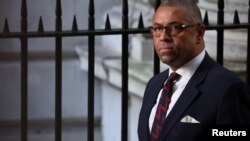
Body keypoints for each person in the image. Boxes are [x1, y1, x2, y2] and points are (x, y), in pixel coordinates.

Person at [137, 0, 250, 141]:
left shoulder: (228, 89)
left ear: (199, 33)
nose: (163, 37)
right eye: (158, 28)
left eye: (175, 27)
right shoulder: (154, 85)